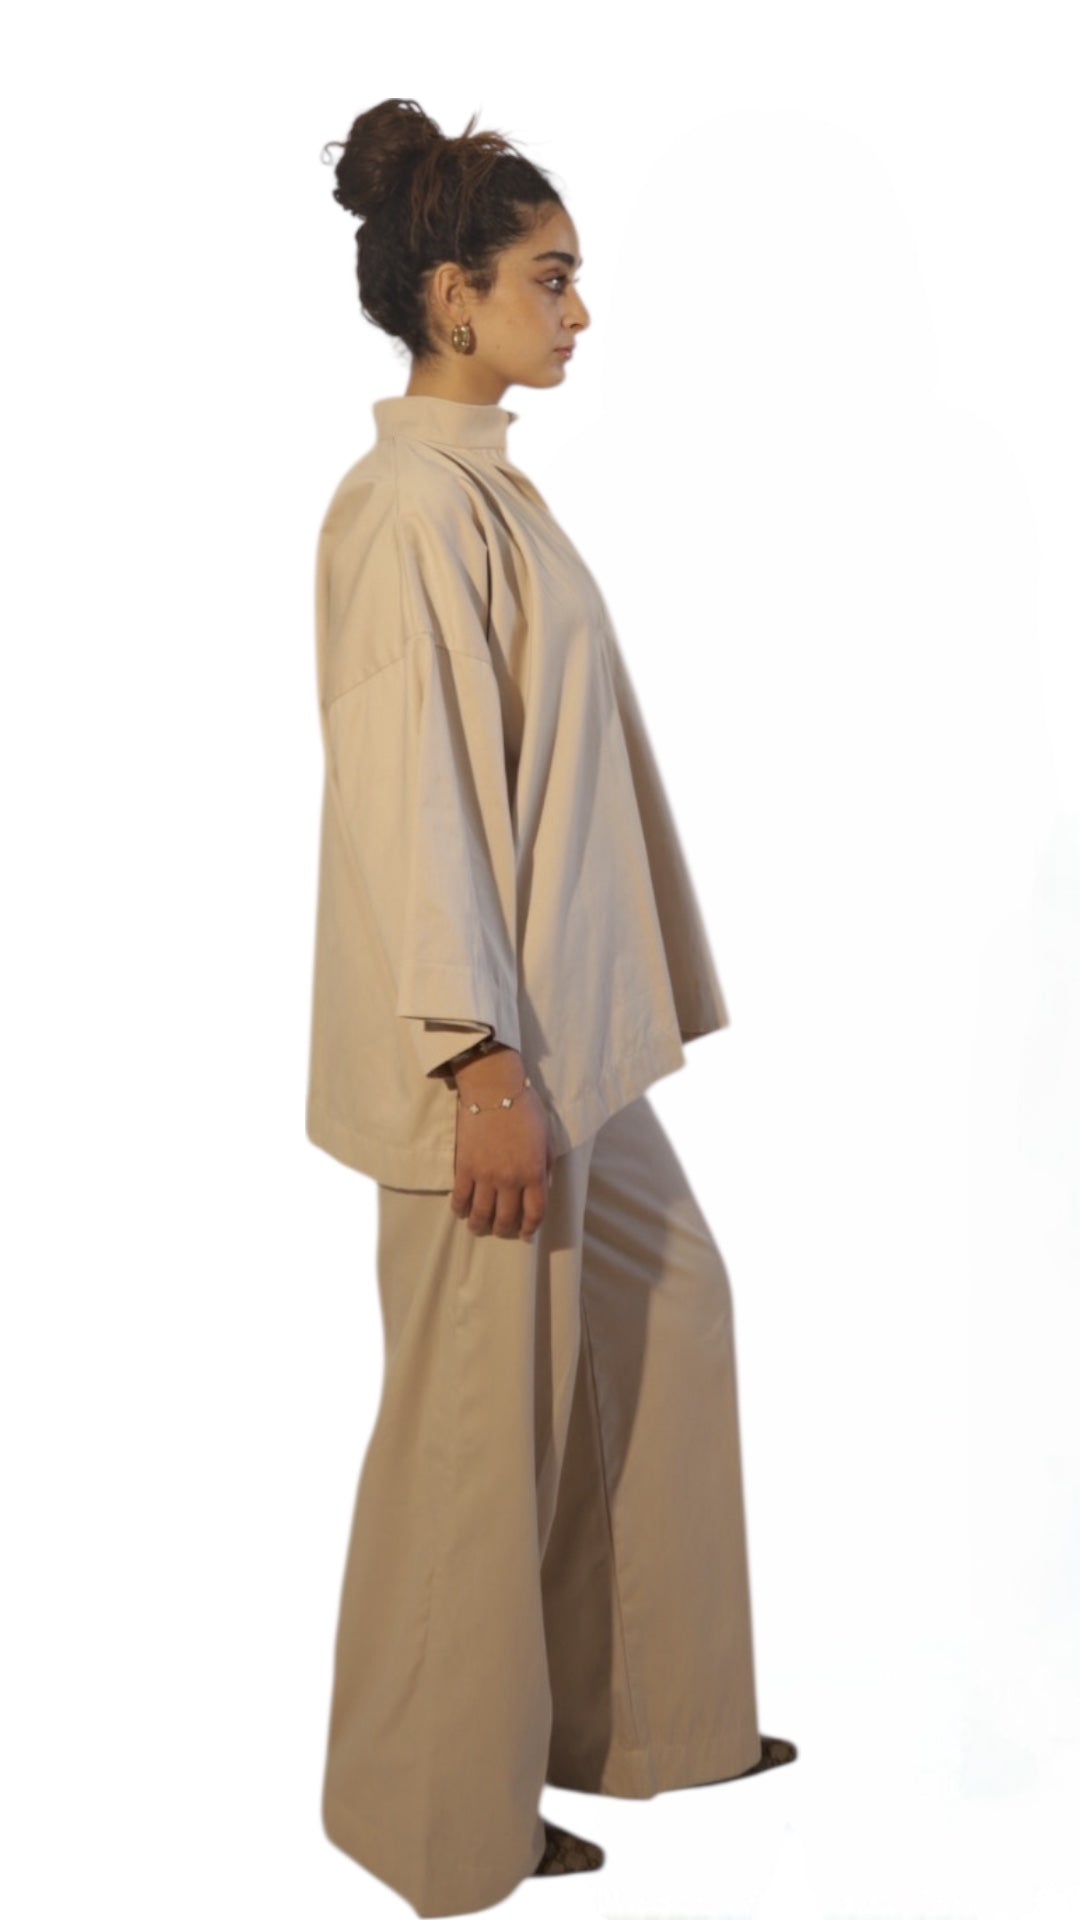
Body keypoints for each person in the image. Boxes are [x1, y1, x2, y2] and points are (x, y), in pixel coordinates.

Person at [307, 97, 796, 1919]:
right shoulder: (403, 513)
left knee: (669, 1302)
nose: (579, 311)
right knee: (471, 1435)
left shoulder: (485, 491)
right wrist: (476, 1060)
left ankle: (641, 1717)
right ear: (453, 296)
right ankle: (439, 1824)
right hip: (492, 1061)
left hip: (569, 1042)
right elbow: (412, 795)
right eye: (550, 278)